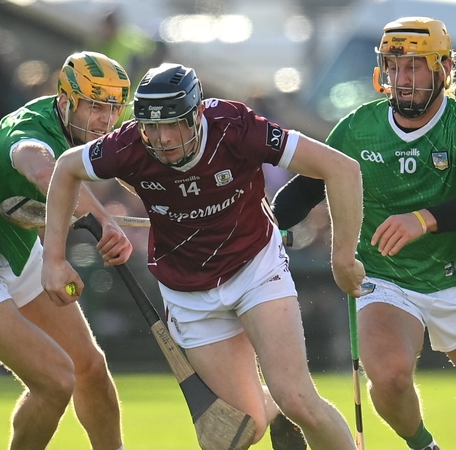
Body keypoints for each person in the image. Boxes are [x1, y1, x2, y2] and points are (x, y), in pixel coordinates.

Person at [41, 62, 366, 450]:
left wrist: (343, 257)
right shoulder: (127, 146)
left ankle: (285, 409)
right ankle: (272, 412)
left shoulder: (235, 127)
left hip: (255, 267)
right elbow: (65, 169)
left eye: (171, 125)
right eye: (151, 127)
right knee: (242, 429)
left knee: (297, 399)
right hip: (188, 292)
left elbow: (342, 168)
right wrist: (54, 259)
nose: (160, 140)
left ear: (196, 115)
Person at [271, 17, 456, 450]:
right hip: (386, 281)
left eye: (415, 67)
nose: (402, 79)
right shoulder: (356, 129)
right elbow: (303, 192)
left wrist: (422, 219)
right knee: (390, 377)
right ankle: (425, 446)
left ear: (444, 71)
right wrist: (258, 226)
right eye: (393, 66)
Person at [0, 51, 132, 450]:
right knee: (55, 380)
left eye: (113, 108)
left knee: (90, 368)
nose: (106, 119)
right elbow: (47, 172)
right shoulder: (30, 133)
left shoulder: (85, 134)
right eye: (95, 106)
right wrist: (57, 260)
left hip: (13, 249)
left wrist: (108, 223)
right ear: (66, 101)